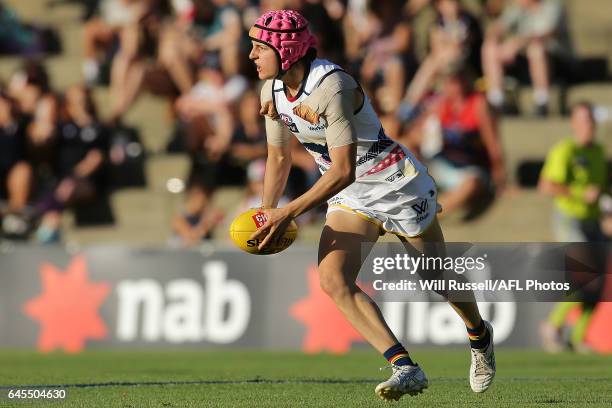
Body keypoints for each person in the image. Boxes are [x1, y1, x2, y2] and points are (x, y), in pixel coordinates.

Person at [247, 9, 495, 401]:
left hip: (394, 185)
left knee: (435, 277)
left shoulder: (332, 85)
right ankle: (404, 367)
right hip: (351, 196)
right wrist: (265, 214)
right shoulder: (271, 91)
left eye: (259, 48)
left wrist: (288, 212)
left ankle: (479, 334)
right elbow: (278, 158)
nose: (251, 56)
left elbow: (342, 169)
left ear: (286, 50)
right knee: (333, 279)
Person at [538, 101, 607, 352]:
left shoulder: (598, 152)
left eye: (591, 120)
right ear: (574, 124)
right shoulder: (565, 151)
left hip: (593, 220)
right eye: (583, 120)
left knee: (599, 282)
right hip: (570, 218)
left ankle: (578, 336)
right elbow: (546, 186)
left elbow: (601, 191)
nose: (588, 125)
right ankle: (552, 325)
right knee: (586, 275)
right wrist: (579, 193)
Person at [481, 0, 572, 116]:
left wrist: (517, 43)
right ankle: (496, 101)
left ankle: (542, 101)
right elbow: (496, 29)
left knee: (536, 49)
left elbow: (547, 33)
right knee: (490, 48)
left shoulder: (553, 6)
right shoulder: (518, 9)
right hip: (527, 62)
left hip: (558, 63)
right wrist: (497, 39)